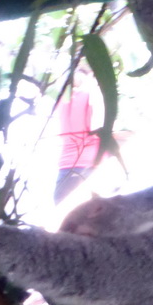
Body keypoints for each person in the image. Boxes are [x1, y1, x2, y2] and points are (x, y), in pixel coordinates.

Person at [54, 65, 103, 205]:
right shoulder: (93, 98)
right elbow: (97, 126)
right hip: (90, 166)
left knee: (64, 221)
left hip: (65, 167)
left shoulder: (63, 101)